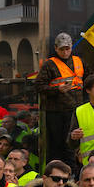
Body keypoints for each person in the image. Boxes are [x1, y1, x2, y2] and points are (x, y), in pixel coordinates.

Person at [34, 32, 84, 167]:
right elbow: (38, 86)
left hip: (76, 111)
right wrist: (57, 90)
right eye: (62, 49)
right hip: (56, 112)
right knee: (57, 146)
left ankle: (73, 172)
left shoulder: (79, 62)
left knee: (72, 144)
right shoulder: (49, 65)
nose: (65, 51)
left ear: (72, 47)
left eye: (67, 48)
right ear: (56, 48)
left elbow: (87, 81)